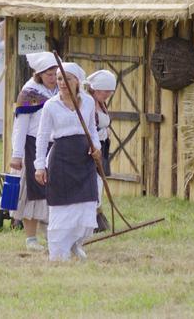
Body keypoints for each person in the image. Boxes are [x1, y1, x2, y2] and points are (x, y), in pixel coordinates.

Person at [34, 62, 102, 261]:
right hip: (61, 157)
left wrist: (95, 148)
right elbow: (42, 136)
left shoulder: (88, 102)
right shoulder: (51, 105)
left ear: (77, 81)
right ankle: (58, 252)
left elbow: (91, 130)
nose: (62, 82)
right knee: (62, 206)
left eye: (67, 78)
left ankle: (75, 243)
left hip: (84, 157)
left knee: (87, 203)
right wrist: (39, 166)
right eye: (60, 78)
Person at [10, 52, 59, 251]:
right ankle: (31, 239)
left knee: (52, 193)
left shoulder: (60, 91)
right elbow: (20, 127)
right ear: (39, 73)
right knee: (33, 193)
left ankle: (51, 235)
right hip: (32, 145)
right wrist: (17, 154)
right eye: (49, 74)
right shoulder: (29, 92)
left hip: (54, 145)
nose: (53, 77)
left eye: (56, 73)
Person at [84, 69, 117, 232]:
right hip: (89, 148)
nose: (108, 95)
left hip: (102, 146)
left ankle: (96, 216)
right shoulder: (86, 103)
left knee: (99, 182)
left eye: (110, 92)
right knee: (94, 183)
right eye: (105, 92)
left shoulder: (101, 103)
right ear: (95, 89)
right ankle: (92, 217)